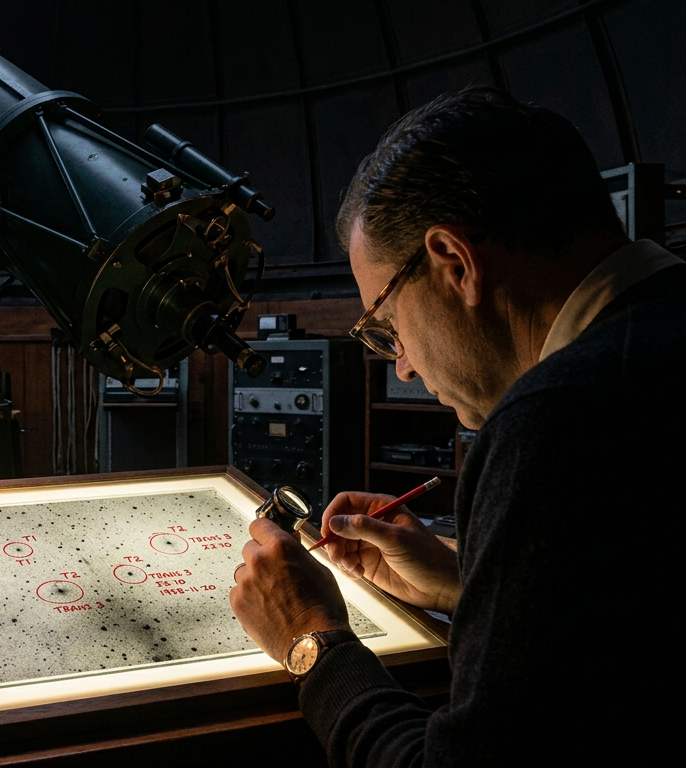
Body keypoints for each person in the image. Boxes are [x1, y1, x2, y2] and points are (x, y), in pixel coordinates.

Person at [228, 86, 685, 765]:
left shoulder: (554, 422)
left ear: (455, 261)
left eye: (387, 324)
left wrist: (311, 639)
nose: (404, 365)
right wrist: (469, 584)